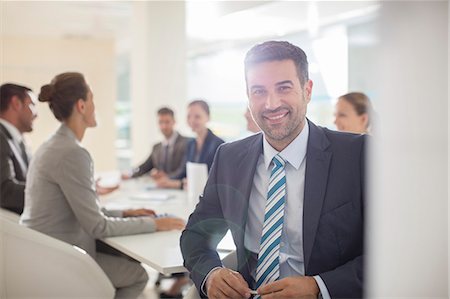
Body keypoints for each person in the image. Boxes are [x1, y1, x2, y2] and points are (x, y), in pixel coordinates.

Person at [180, 41, 366, 299]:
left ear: (307, 90)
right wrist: (211, 273)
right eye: (258, 91)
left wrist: (319, 287)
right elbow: (197, 234)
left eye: (284, 87)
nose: (271, 103)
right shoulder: (229, 158)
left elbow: (390, 251)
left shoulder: (357, 155)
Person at [20, 72, 185, 299]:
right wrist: (155, 223)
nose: (95, 106)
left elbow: (85, 210)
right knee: (137, 275)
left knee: (127, 258)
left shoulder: (54, 145)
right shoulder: (72, 153)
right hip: (59, 257)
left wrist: (127, 212)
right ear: (81, 105)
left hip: (43, 250)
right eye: (92, 99)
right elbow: (97, 226)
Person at [156, 99, 224, 189]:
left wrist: (179, 184)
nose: (192, 120)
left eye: (197, 117)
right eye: (189, 116)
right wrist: (166, 179)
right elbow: (183, 171)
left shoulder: (219, 145)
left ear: (208, 117)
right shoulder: (191, 143)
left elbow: (215, 178)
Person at [122, 107, 189, 180]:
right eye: (161, 122)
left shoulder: (187, 143)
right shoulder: (156, 148)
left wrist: (167, 177)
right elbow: (143, 167)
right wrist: (130, 173)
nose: (164, 126)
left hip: (179, 188)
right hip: (160, 188)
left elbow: (184, 170)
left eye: (167, 122)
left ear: (174, 122)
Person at [0, 83, 37, 214]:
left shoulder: (18, 141)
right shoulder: (1, 138)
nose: (36, 114)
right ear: (16, 103)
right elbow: (4, 190)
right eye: (32, 105)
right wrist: (54, 193)